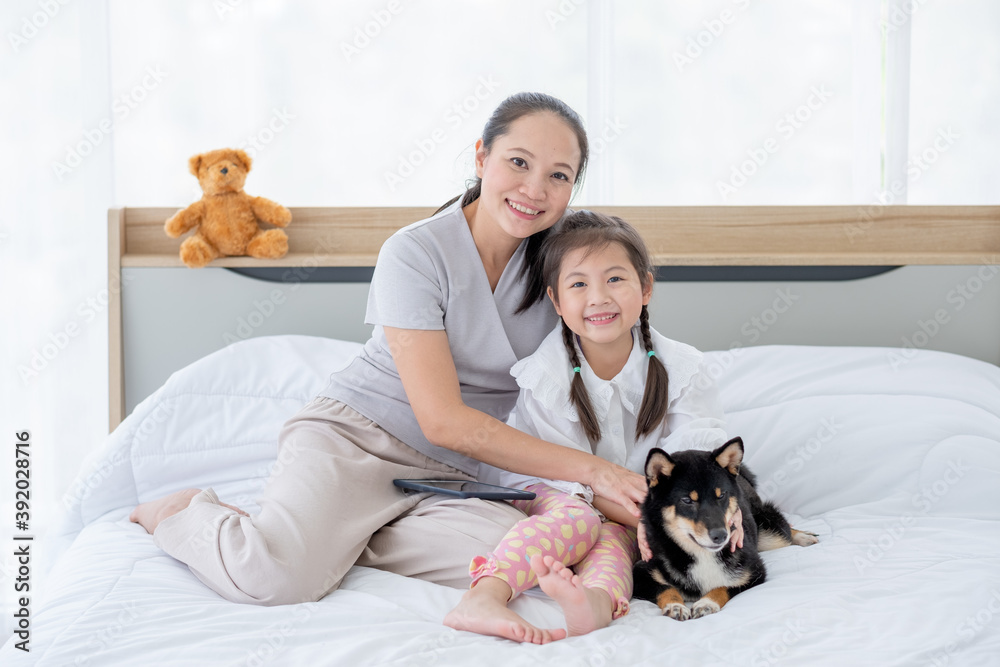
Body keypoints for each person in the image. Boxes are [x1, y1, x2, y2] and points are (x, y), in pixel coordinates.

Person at [128, 92, 647, 644]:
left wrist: (665, 509)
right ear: (481, 158)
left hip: (455, 477)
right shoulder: (415, 252)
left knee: (523, 558)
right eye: (518, 162)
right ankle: (184, 512)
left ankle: (336, 537)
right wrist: (593, 472)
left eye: (559, 175)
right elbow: (444, 421)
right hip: (357, 440)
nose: (534, 189)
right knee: (274, 576)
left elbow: (623, 359)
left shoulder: (561, 270)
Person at [445, 210, 742, 639]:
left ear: (645, 287)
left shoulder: (684, 369)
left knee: (617, 541)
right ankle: (485, 596)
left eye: (615, 280)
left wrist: (720, 512)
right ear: (557, 301)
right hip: (552, 487)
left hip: (628, 512)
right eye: (579, 284)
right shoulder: (546, 376)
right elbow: (566, 475)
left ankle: (596, 604)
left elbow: (702, 457)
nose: (598, 297)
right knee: (582, 520)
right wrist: (648, 519)